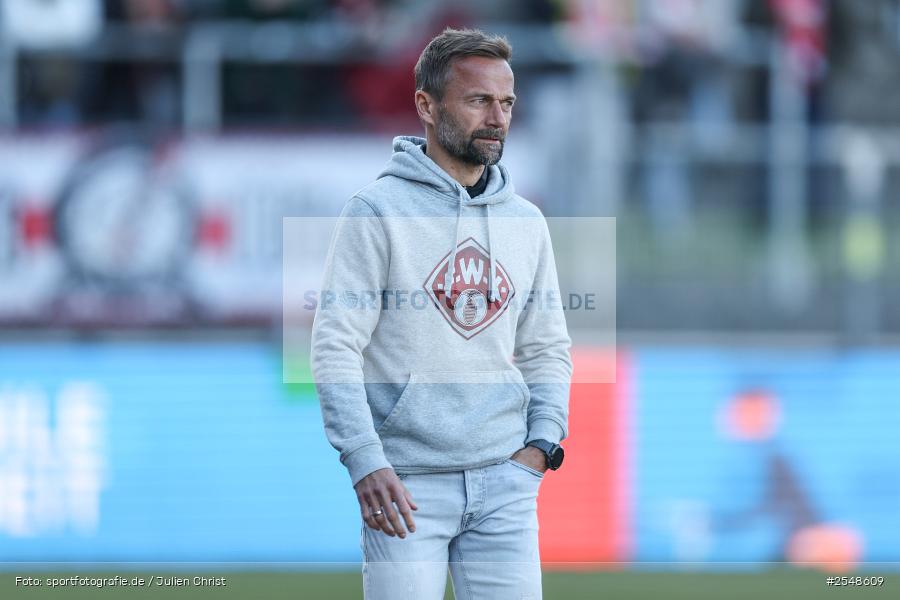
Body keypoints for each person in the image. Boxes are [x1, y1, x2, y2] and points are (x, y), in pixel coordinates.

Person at [310, 27, 572, 600]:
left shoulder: (526, 221)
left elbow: (547, 344)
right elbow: (334, 346)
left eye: (506, 103)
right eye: (479, 100)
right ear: (426, 106)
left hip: (507, 480)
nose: (497, 118)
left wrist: (543, 443)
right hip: (405, 488)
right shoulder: (374, 211)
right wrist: (365, 460)